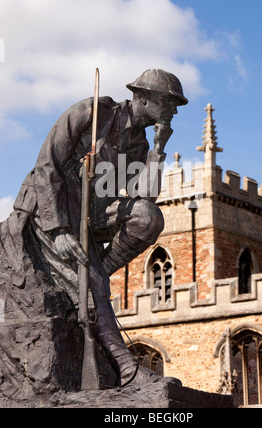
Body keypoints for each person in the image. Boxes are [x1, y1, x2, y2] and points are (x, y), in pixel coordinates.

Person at [3, 68, 188, 387]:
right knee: (94, 285)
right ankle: (126, 368)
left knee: (149, 217)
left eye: (175, 105)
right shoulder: (91, 113)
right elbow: (46, 167)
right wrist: (59, 231)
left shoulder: (139, 144)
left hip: (91, 215)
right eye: (168, 102)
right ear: (142, 97)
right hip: (49, 211)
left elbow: (146, 197)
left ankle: (98, 270)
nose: (173, 110)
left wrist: (158, 148)